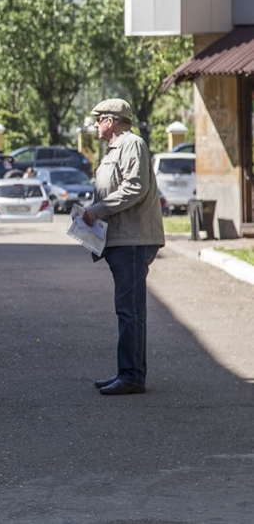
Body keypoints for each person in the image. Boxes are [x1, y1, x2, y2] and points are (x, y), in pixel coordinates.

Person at [81, 98, 165, 395]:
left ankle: (131, 376)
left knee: (130, 311)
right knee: (126, 310)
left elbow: (134, 187)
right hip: (120, 239)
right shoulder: (113, 150)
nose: (95, 124)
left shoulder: (133, 144)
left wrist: (98, 210)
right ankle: (127, 371)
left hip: (133, 239)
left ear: (111, 120)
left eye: (98, 119)